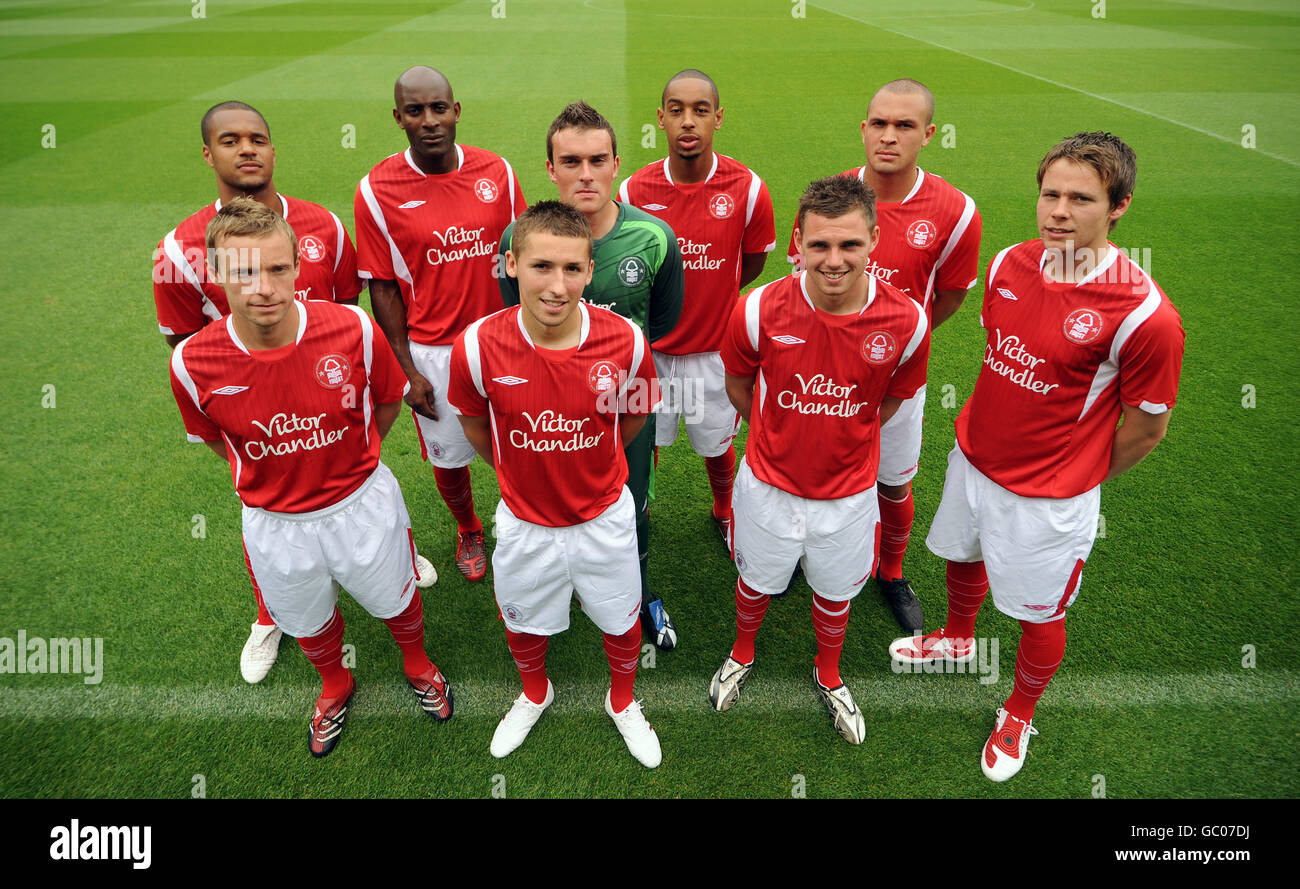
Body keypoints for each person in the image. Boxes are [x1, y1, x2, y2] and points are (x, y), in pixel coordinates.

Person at [889, 132, 1185, 781]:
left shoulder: (1145, 315)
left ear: (1119, 206)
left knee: (1038, 610)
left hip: (1050, 496)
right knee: (961, 555)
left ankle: (1019, 711)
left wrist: (1072, 477)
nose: (1058, 210)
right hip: (975, 454)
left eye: (1081, 198)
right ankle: (959, 637)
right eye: (1050, 193)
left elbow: (1146, 429)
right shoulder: (1010, 264)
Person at [151, 101, 425, 688]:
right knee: (298, 594)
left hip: (346, 451)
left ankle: (408, 625)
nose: (247, 149)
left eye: (258, 138)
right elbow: (205, 412)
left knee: (391, 584)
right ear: (218, 275)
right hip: (272, 493)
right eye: (230, 140)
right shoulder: (180, 259)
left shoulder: (324, 229)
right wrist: (264, 455)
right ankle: (279, 621)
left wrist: (352, 442)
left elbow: (372, 372)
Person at [169, 198, 454, 758]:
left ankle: (418, 664)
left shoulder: (351, 327)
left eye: (278, 268)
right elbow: (212, 438)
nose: (264, 287)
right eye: (245, 271)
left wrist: (353, 459)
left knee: (396, 597)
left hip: (361, 503)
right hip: (276, 522)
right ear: (218, 274)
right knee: (305, 616)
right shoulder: (191, 361)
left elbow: (384, 403)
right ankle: (334, 684)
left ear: (298, 268)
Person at [711, 176, 929, 745]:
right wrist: (782, 431)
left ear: (875, 240)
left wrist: (843, 431)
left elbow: (890, 400)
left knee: (835, 592)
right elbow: (739, 384)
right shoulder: (757, 308)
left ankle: (828, 673)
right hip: (766, 486)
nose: (834, 260)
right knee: (755, 580)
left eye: (850, 245)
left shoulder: (906, 321)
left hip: (849, 496)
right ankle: (742, 651)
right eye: (820, 245)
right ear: (798, 241)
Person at [449, 201, 662, 768]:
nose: (557, 285)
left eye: (572, 268)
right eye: (541, 266)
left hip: (604, 516)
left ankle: (622, 700)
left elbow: (632, 420)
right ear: (512, 264)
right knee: (522, 615)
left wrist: (593, 463)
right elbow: (476, 426)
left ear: (590, 271)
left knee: (620, 616)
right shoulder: (475, 347)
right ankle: (534, 693)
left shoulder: (626, 343)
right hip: (524, 521)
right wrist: (521, 474)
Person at [786, 79, 981, 632]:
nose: (888, 136)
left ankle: (890, 571)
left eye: (904, 126)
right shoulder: (827, 198)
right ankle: (800, 554)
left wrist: (896, 344)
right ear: (864, 128)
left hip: (895, 381)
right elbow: (798, 280)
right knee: (809, 473)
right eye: (878, 123)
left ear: (928, 135)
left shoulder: (956, 210)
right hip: (820, 378)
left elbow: (949, 295)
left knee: (893, 481)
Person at [497, 102, 684, 651]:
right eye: (571, 161)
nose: (586, 174)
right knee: (548, 501)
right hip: (544, 407)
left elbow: (663, 325)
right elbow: (514, 320)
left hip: (629, 401)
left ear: (617, 163)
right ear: (550, 168)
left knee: (633, 500)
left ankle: (641, 589)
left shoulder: (654, 238)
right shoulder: (519, 240)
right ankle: (555, 588)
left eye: (598, 160)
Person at [354, 66, 526, 583]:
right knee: (450, 456)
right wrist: (408, 371)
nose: (429, 121)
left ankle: (526, 517)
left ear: (456, 110)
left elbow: (521, 254)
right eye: (415, 111)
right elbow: (381, 287)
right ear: (398, 118)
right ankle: (469, 527)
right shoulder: (377, 189)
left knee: (525, 439)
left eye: (438, 108)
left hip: (504, 340)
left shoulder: (497, 171)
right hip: (435, 352)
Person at [618, 69, 775, 552]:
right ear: (661, 118)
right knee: (643, 443)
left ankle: (723, 510)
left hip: (715, 354)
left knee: (718, 445)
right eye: (677, 110)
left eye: (700, 110)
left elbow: (748, 263)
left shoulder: (748, 189)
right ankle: (637, 512)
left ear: (718, 118)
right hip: (652, 353)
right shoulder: (632, 192)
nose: (689, 121)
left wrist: (710, 297)